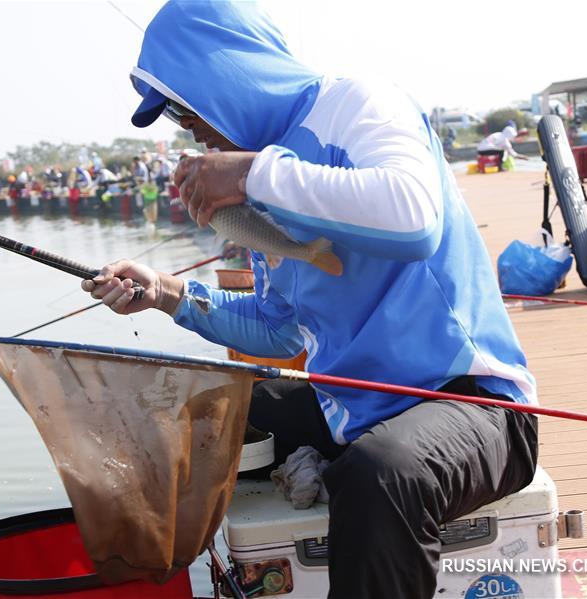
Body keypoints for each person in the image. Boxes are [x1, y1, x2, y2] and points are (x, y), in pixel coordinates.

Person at [81, 2, 538, 598]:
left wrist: (251, 175)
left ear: (225, 71)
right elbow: (280, 331)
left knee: (382, 474)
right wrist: (167, 293)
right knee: (202, 409)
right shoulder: (267, 176)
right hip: (352, 407)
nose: (185, 125)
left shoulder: (357, 104)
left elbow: (414, 218)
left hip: (474, 407)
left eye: (182, 104)